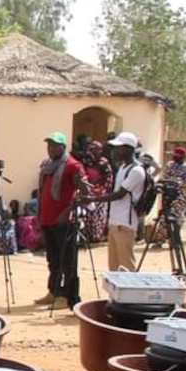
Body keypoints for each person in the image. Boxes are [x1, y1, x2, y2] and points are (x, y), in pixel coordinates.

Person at [34, 132, 87, 309]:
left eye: (55, 146)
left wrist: (69, 210)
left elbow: (84, 192)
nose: (51, 149)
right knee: (53, 260)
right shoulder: (47, 166)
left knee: (68, 261)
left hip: (65, 221)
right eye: (49, 146)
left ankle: (67, 296)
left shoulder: (73, 165)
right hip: (48, 219)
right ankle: (54, 291)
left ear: (63, 147)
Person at [79, 132, 146, 272]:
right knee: (114, 267)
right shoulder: (122, 168)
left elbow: (119, 194)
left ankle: (130, 287)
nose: (115, 151)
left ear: (128, 149)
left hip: (125, 224)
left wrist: (93, 199)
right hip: (115, 222)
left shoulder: (136, 171)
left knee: (126, 266)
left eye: (118, 148)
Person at [149, 147, 186, 248]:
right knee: (163, 218)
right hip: (167, 195)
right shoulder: (169, 165)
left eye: (178, 156)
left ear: (183, 157)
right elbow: (164, 178)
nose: (175, 157)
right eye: (174, 155)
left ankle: (174, 241)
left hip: (179, 197)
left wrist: (175, 183)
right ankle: (160, 240)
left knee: (177, 219)